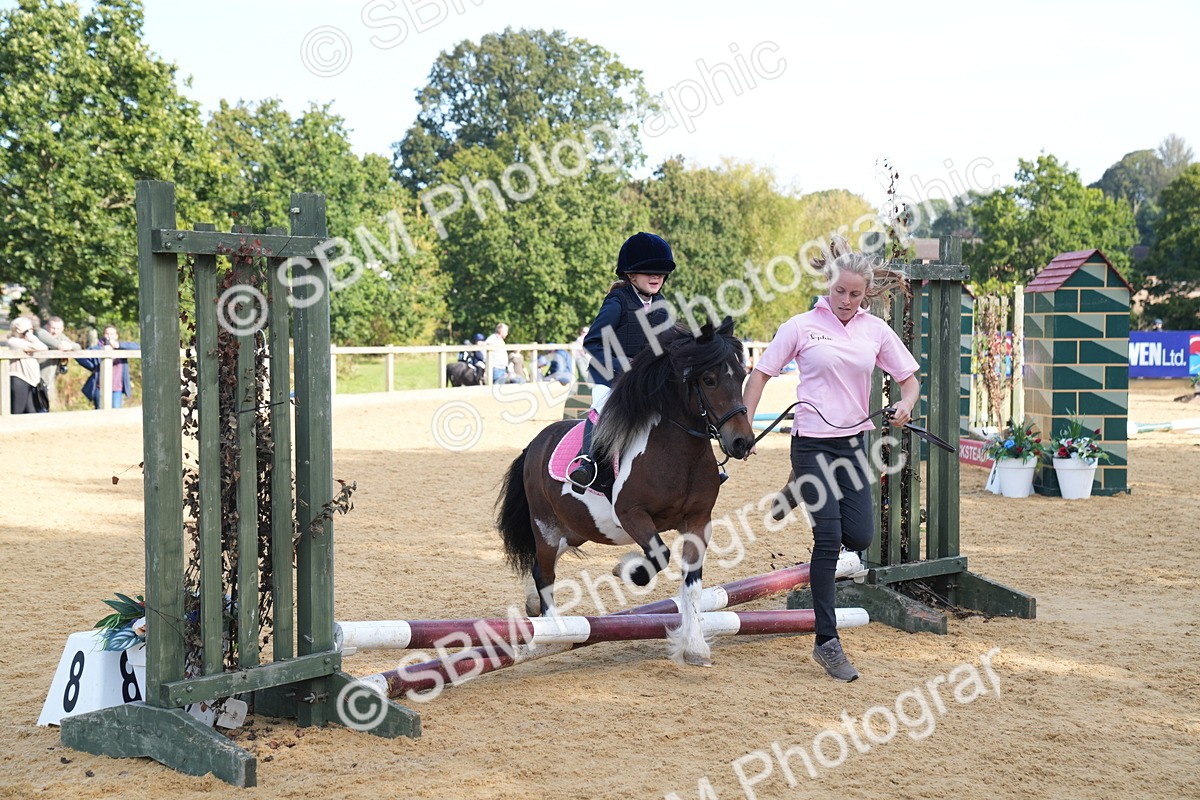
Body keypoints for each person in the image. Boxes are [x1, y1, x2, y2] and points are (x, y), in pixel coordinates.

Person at [741, 236, 920, 682]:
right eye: (840, 291)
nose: (846, 300)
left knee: (858, 536)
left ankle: (796, 487)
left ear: (866, 293)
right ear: (829, 284)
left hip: (853, 444)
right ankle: (827, 642)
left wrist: (905, 404)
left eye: (855, 294)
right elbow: (760, 375)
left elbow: (909, 380)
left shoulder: (875, 330)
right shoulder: (801, 326)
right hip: (811, 443)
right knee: (829, 537)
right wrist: (745, 426)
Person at [568, 232, 675, 491]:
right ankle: (587, 462)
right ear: (630, 274)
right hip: (609, 377)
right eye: (649, 271)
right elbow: (593, 342)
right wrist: (626, 366)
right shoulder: (617, 302)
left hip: (647, 380)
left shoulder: (662, 305)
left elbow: (669, 345)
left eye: (661, 272)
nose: (656, 277)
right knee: (601, 407)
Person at [78, 325, 140, 409]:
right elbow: (81, 357)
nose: (109, 336)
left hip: (117, 388)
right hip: (100, 387)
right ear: (104, 335)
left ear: (116, 336)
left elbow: (137, 347)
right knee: (100, 412)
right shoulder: (98, 348)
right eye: (107, 333)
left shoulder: (122, 347)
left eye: (112, 334)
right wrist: (93, 367)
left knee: (116, 412)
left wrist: (118, 345)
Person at [6, 316, 49, 414]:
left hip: (32, 380)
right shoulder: (13, 341)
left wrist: (30, 336)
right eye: (27, 330)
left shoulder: (29, 341)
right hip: (19, 379)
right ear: (18, 330)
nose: (30, 332)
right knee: (17, 411)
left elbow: (44, 347)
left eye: (31, 329)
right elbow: (39, 347)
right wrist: (29, 336)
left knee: (32, 412)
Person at [36, 315, 80, 408]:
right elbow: (43, 336)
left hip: (49, 379)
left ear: (62, 329)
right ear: (47, 326)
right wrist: (61, 346)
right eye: (52, 328)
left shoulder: (60, 337)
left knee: (47, 406)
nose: (55, 331)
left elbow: (77, 347)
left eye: (58, 329)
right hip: (35, 379)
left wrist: (70, 346)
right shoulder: (41, 333)